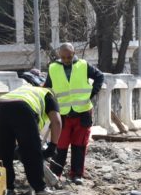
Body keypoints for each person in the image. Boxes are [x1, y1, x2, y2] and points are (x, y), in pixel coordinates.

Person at [44, 43, 105, 185]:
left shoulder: (83, 65)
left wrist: (91, 93)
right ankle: (55, 174)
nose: (66, 60)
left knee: (79, 145)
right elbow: (47, 88)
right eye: (64, 57)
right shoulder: (53, 68)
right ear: (59, 55)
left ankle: (77, 174)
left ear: (74, 53)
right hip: (63, 114)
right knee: (60, 145)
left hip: (82, 112)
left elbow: (100, 77)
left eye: (69, 57)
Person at [0, 84, 62, 195]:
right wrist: (53, 146)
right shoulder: (48, 95)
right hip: (23, 108)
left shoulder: (26, 90)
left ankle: (6, 188)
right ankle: (40, 188)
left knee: (4, 151)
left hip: (0, 106)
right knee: (31, 150)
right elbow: (57, 122)